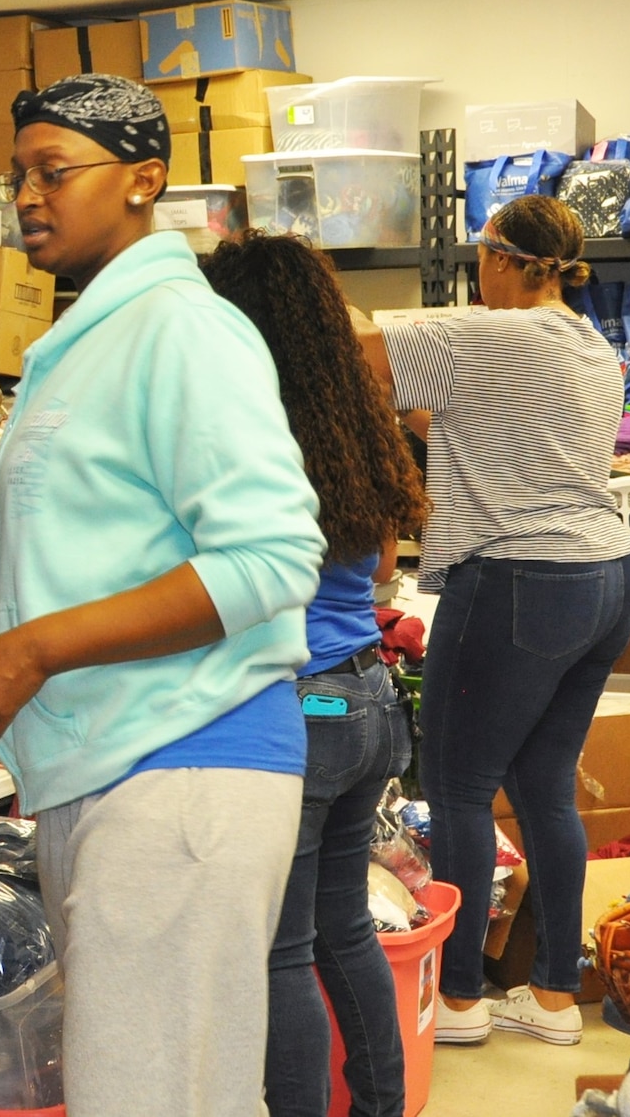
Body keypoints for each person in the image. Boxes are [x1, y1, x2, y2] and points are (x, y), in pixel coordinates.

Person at [0, 74, 325, 1117]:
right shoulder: (93, 336)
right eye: (17, 173)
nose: (27, 196)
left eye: (53, 171)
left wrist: (26, 653)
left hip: (183, 762)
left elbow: (268, 559)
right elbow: (110, 561)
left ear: (144, 181)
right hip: (115, 765)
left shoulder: (180, 329)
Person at [350, 193, 630, 1048]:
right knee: (546, 788)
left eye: (482, 256)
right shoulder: (592, 346)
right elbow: (486, 427)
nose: (478, 274)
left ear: (505, 259)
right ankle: (554, 997)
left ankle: (466, 997)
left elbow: (355, 349)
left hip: (519, 577)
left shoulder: (478, 334)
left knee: (461, 787)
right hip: (608, 576)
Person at [201, 232, 429, 1117]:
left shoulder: (253, 426)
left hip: (302, 705)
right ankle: (381, 1106)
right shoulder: (353, 416)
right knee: (342, 929)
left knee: (281, 951)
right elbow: (378, 567)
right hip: (364, 695)